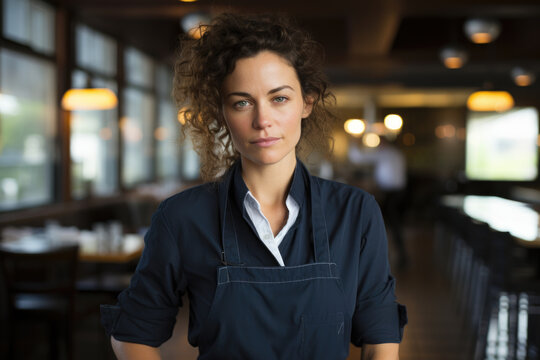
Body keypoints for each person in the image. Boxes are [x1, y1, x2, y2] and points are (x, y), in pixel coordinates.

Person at [101, 13, 407, 360]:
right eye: (242, 102)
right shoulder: (182, 217)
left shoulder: (356, 212)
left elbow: (380, 341)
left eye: (279, 99)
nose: (263, 121)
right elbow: (132, 334)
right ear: (220, 113)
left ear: (307, 102)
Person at [348, 136, 409, 268]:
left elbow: (358, 158)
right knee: (393, 226)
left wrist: (353, 142)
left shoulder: (386, 154)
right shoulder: (396, 153)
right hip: (398, 193)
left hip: (391, 194)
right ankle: (397, 257)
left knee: (385, 224)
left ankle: (380, 260)